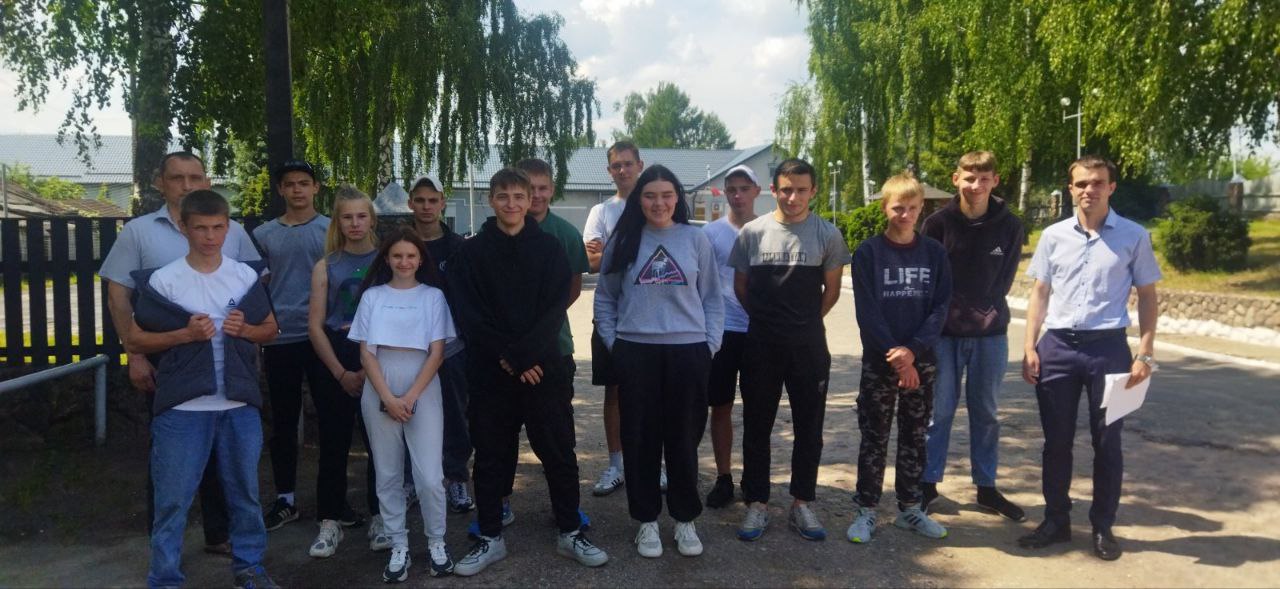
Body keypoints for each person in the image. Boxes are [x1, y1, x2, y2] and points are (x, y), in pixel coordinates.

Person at [99, 151, 260, 557]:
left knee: (225, 456)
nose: (187, 185)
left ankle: (219, 534)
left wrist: (251, 341)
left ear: (207, 182)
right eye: (177, 178)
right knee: (170, 459)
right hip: (165, 356)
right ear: (160, 183)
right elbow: (119, 295)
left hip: (225, 365)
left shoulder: (233, 231)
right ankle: (164, 548)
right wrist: (134, 354)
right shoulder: (138, 232)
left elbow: (253, 291)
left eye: (195, 177)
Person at [449, 168, 608, 576]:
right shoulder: (472, 252)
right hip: (491, 371)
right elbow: (469, 312)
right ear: (491, 200)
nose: (512, 204)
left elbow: (556, 305)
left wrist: (526, 356)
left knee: (558, 451)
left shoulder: (550, 249)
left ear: (530, 200)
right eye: (503, 196)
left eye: (519, 196)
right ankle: (490, 536)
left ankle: (570, 530)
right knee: (490, 455)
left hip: (543, 368)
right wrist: (510, 357)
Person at [127, 189, 278, 588]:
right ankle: (164, 578)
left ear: (227, 228)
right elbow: (136, 339)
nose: (210, 237)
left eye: (217, 228)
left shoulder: (244, 276)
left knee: (245, 494)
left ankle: (249, 569)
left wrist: (246, 330)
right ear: (184, 228)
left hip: (238, 405)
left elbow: (270, 329)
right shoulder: (165, 280)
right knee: (173, 499)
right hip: (183, 408)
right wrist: (184, 334)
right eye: (201, 228)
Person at [1018, 155, 1161, 561]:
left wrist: (1145, 353)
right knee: (1056, 442)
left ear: (1111, 187)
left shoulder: (1134, 236)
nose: (1089, 190)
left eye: (1097, 182)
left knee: (1108, 442)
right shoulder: (1053, 236)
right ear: (1071, 189)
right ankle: (1056, 521)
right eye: (1081, 183)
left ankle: (1102, 527)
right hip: (1057, 348)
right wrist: (1029, 346)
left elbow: (1148, 296)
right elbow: (1040, 292)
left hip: (1110, 350)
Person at [595, 165, 724, 558]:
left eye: (667, 195)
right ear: (639, 200)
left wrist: (709, 345)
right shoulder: (623, 241)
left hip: (689, 353)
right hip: (636, 353)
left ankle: (684, 519)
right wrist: (616, 345)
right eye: (650, 195)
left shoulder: (695, 238)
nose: (659, 203)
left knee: (684, 440)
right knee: (640, 440)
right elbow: (605, 298)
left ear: (677, 198)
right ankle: (646, 520)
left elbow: (712, 298)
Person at [729, 157, 850, 542]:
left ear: (813, 191)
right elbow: (741, 288)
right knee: (756, 425)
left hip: (808, 346)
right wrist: (767, 322)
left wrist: (803, 324)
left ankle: (802, 502)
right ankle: (757, 502)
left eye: (800, 190)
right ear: (773, 190)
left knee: (809, 427)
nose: (793, 197)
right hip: (761, 345)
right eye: (785, 189)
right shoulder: (752, 233)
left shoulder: (828, 234)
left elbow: (832, 292)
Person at [918, 151, 1026, 521]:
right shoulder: (937, 223)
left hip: (990, 336)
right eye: (969, 178)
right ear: (956, 179)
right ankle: (927, 484)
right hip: (943, 336)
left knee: (987, 414)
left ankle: (986, 487)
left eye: (983, 179)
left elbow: (1004, 281)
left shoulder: (1010, 226)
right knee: (939, 412)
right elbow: (928, 279)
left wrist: (981, 314)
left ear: (995, 181)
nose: (975, 186)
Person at [846, 173, 953, 544]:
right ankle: (867, 509)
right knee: (874, 436)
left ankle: (910, 507)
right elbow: (868, 312)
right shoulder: (868, 253)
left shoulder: (934, 254)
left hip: (921, 360)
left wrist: (913, 352)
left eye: (911, 208)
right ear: (884, 208)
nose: (904, 215)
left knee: (915, 435)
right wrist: (897, 356)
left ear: (921, 208)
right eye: (897, 208)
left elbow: (940, 308)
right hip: (881, 361)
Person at [348, 228, 457, 582]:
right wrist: (387, 398)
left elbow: (437, 352)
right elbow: (366, 353)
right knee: (388, 473)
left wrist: (409, 397)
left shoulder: (433, 297)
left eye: (411, 255)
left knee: (430, 476)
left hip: (422, 385)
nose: (404, 262)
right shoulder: (372, 297)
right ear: (387, 259)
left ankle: (437, 541)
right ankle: (398, 544)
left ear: (420, 259)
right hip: (380, 386)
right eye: (397, 255)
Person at [254, 160, 344, 535]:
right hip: (281, 339)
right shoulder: (263, 234)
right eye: (289, 184)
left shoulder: (332, 230)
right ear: (280, 189)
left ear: (316, 187)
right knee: (284, 421)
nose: (297, 190)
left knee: (333, 421)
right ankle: (285, 499)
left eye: (304, 183)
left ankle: (333, 503)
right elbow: (256, 285)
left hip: (323, 337)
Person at [305, 186, 383, 557]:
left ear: (372, 219)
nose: (355, 223)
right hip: (336, 354)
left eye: (361, 216)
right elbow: (315, 325)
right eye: (347, 217)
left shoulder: (387, 261)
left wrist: (370, 369)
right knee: (333, 442)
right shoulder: (326, 266)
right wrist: (339, 372)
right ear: (337, 222)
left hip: (378, 355)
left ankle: (382, 516)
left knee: (380, 444)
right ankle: (330, 519)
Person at [405, 175, 474, 515]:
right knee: (408, 410)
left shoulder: (459, 247)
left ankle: (456, 477)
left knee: (455, 412)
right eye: (420, 200)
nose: (427, 207)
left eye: (433, 200)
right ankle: (410, 481)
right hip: (407, 347)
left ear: (443, 203)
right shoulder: (401, 246)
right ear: (410, 204)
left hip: (451, 346)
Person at [584, 141, 645, 496]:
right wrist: (628, 254)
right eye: (616, 166)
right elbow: (592, 263)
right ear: (609, 171)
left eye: (628, 163)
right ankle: (616, 464)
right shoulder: (601, 212)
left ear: (640, 165)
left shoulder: (653, 204)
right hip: (611, 314)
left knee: (653, 393)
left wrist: (612, 250)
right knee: (615, 391)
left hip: (650, 317)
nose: (622, 170)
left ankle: (652, 462)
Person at [701, 165, 760, 509]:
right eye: (732, 189)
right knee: (720, 406)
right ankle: (724, 477)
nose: (738, 195)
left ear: (757, 191)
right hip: (721, 332)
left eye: (744, 188)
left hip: (757, 332)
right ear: (725, 193)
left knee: (757, 409)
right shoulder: (710, 233)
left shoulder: (768, 230)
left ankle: (753, 478)